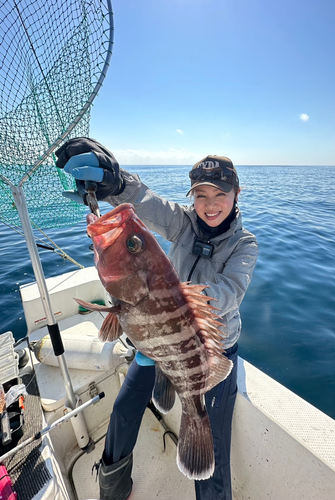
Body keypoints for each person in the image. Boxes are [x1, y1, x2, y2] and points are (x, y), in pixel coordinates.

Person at [56, 138, 258, 500]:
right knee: (122, 408)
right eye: (200, 196)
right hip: (154, 340)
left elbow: (230, 292)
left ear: (237, 194)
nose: (209, 205)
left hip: (209, 355)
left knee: (213, 446)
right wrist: (117, 185)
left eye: (220, 195)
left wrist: (171, 304)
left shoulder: (245, 244)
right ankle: (113, 487)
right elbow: (149, 205)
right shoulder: (183, 224)